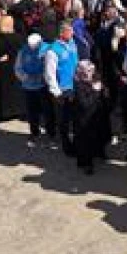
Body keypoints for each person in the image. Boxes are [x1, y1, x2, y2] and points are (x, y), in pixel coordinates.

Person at [44, 20, 80, 155]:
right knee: (64, 120)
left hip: (75, 87)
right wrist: (56, 92)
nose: (73, 33)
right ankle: (67, 147)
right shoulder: (53, 51)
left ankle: (76, 143)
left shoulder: (72, 44)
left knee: (75, 118)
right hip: (62, 90)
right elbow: (50, 74)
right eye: (70, 31)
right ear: (62, 33)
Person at [70, 60, 110, 174]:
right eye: (88, 71)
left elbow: (105, 92)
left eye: (92, 70)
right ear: (81, 72)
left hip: (98, 115)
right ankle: (86, 164)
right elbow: (85, 103)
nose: (91, 73)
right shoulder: (78, 85)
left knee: (100, 136)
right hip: (84, 120)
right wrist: (95, 91)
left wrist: (104, 91)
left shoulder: (95, 78)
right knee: (85, 143)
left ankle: (99, 153)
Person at [14, 33, 48, 144]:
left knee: (48, 110)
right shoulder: (23, 51)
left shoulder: (47, 49)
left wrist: (45, 77)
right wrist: (25, 78)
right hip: (29, 86)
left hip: (44, 85)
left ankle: (50, 132)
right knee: (32, 111)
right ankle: (34, 132)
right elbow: (18, 67)